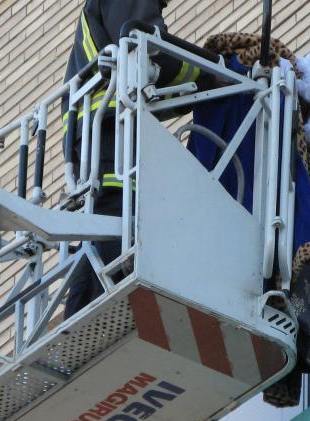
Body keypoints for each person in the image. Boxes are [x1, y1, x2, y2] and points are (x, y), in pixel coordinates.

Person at [62, 0, 207, 319]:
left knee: (107, 231)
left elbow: (150, 76)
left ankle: (82, 322)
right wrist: (213, 72)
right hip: (111, 134)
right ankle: (86, 325)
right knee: (115, 228)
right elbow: (150, 48)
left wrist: (197, 84)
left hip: (102, 134)